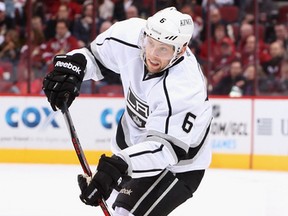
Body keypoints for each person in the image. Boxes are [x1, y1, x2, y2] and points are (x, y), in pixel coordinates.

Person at [42, 7, 213, 216]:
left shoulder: (185, 87)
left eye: (163, 49)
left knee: (124, 213)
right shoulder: (131, 34)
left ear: (182, 49)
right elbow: (94, 57)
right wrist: (73, 71)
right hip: (132, 143)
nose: (152, 54)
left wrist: (116, 167)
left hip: (178, 166)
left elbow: (165, 150)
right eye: (150, 43)